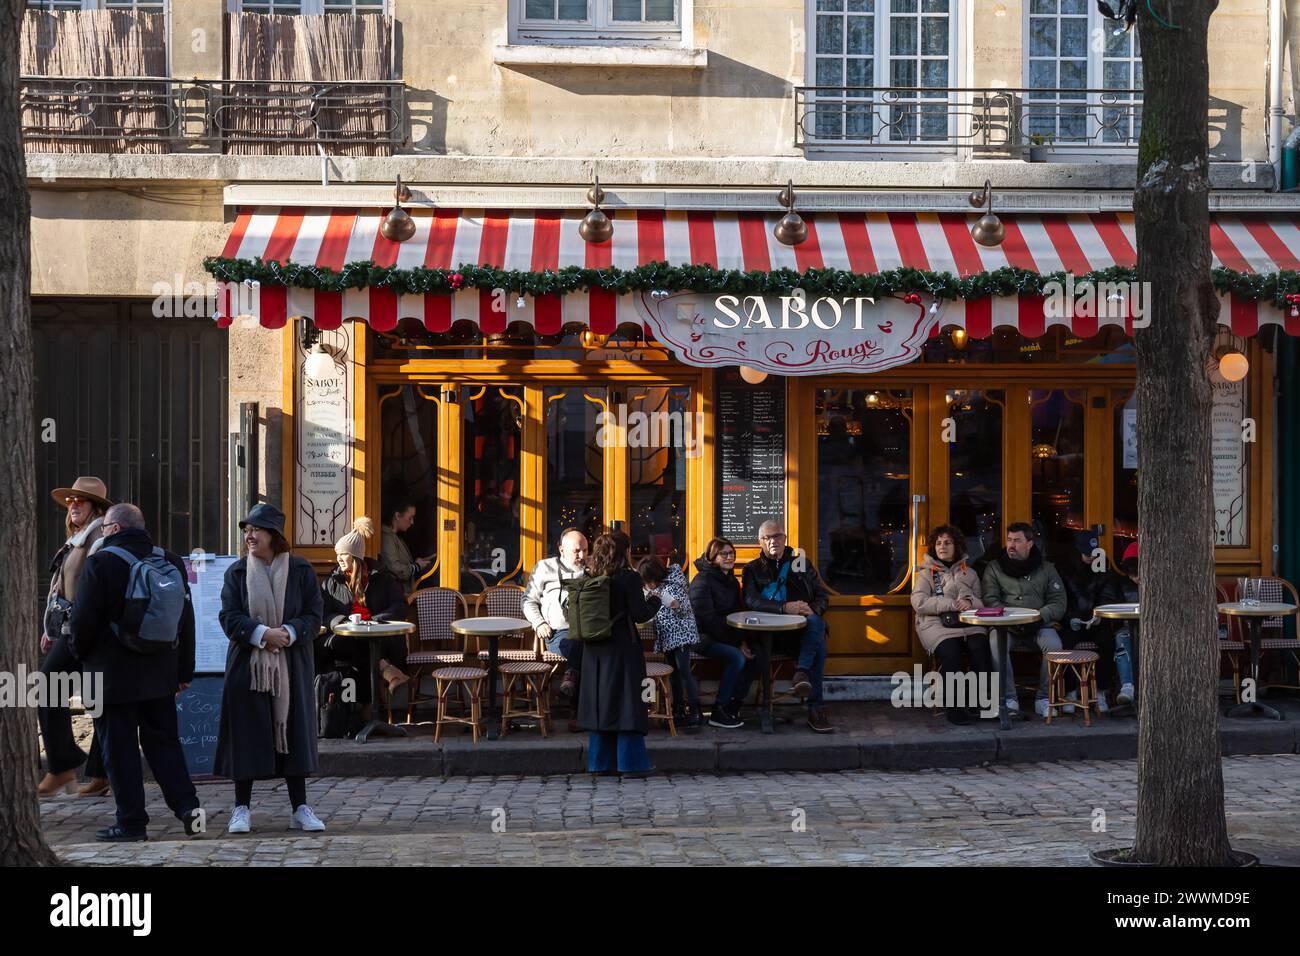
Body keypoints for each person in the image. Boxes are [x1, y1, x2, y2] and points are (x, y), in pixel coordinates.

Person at [68, 503, 201, 842]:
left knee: (120, 749)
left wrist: (80, 656)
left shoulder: (101, 563)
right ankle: (188, 808)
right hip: (160, 673)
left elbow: (83, 621)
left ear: (112, 529)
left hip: (110, 677)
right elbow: (186, 620)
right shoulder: (169, 560)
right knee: (165, 745)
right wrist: (184, 669)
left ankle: (131, 823)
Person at [215, 503, 326, 834]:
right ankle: (241, 808)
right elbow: (229, 616)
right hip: (248, 665)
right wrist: (263, 634)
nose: (249, 535)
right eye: (247, 530)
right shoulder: (236, 573)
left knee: (293, 732)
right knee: (246, 734)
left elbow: (314, 615)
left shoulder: (301, 570)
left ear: (274, 535)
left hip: (291, 665)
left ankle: (299, 808)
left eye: (256, 530)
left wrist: (288, 633)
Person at [37, 476, 111, 798]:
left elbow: (94, 587)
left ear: (95, 508)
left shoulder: (99, 537)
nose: (74, 505)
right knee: (52, 690)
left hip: (90, 632)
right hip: (69, 631)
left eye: (81, 500)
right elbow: (62, 587)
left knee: (96, 702)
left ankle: (86, 771)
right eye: (71, 501)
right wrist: (49, 628)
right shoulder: (77, 539)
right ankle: (68, 768)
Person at [577, 531, 662, 776]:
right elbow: (640, 614)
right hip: (623, 648)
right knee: (628, 704)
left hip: (594, 650)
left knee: (600, 704)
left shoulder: (589, 575)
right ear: (624, 551)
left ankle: (599, 763)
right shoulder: (629, 578)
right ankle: (631, 763)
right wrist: (655, 601)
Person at [742, 520, 834, 734]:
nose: (772, 541)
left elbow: (822, 595)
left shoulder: (802, 564)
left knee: (816, 627)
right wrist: (785, 608)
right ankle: (813, 704)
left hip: (801, 635)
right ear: (760, 542)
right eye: (767, 538)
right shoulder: (752, 569)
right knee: (818, 646)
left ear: (785, 538)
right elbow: (751, 601)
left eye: (776, 536)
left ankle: (806, 688)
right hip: (768, 636)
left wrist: (813, 609)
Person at [319, 517, 410, 721]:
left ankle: (369, 708)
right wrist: (342, 621)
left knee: (367, 645)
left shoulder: (382, 577)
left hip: (379, 634)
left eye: (344, 555)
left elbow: (400, 606)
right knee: (358, 645)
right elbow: (322, 612)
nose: (339, 559)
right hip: (345, 636)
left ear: (356, 557)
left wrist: (375, 621)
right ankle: (387, 672)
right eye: (337, 555)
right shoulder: (332, 581)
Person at [981, 522, 1068, 718]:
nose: (1011, 545)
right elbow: (990, 599)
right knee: (995, 644)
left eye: (1017, 540)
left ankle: (1044, 698)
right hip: (1006, 626)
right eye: (1009, 540)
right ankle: (1008, 698)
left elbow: (1058, 602)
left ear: (1029, 543)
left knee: (1055, 645)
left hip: (1039, 625)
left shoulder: (1046, 568)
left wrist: (1039, 618)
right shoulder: (994, 568)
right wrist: (1009, 620)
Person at [911, 525, 993, 725]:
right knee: (952, 653)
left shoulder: (970, 573)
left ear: (957, 546)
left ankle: (978, 703)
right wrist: (949, 604)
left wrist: (970, 602)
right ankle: (954, 709)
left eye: (947, 542)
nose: (942, 547)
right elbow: (919, 602)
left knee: (980, 648)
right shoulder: (926, 574)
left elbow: (981, 602)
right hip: (936, 624)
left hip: (968, 622)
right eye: (938, 543)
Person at [689, 537, 760, 729]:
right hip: (701, 637)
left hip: (726, 635)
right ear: (712, 557)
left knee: (757, 653)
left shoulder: (731, 581)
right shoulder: (702, 580)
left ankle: (733, 705)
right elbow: (707, 620)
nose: (730, 557)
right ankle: (719, 711)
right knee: (737, 658)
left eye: (732, 553)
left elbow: (738, 615)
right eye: (724, 553)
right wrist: (737, 644)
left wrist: (743, 641)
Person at [522, 527, 588, 699]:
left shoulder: (594, 568)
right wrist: (539, 623)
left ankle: (571, 680)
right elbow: (528, 600)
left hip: (590, 631)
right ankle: (578, 710)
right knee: (576, 643)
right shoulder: (545, 567)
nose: (582, 556)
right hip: (559, 633)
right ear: (561, 550)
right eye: (577, 551)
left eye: (586, 550)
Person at [638, 557, 702, 733]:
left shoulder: (674, 584)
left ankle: (696, 710)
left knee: (684, 672)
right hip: (667, 637)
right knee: (674, 674)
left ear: (656, 576)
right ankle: (678, 709)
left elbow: (683, 609)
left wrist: (674, 604)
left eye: (649, 581)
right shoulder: (655, 588)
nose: (648, 585)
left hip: (681, 635)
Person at [381, 496, 435, 596]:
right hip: (396, 596)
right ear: (397, 515)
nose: (412, 522)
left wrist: (417, 564)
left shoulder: (396, 537)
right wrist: (416, 566)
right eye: (410, 518)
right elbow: (395, 569)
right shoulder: (386, 537)